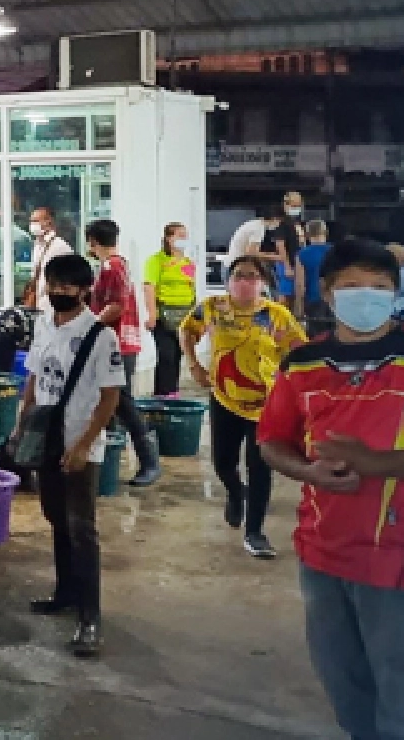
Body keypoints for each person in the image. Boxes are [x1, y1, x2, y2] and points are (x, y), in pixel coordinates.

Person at [260, 238, 404, 740]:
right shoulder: (301, 363)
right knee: (345, 684)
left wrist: (376, 463)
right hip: (321, 551)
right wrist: (307, 473)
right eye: (352, 287)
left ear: (396, 293)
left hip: (402, 553)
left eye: (379, 287)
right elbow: (272, 440)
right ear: (326, 293)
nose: (366, 296)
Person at [11, 254, 124, 657]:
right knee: (55, 517)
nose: (58, 291)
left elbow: (110, 396)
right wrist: (21, 422)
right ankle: (65, 592)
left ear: (83, 290)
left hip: (81, 444)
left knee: (82, 529)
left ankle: (90, 618)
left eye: (67, 286)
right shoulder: (43, 322)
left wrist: (82, 446)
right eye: (53, 284)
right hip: (47, 439)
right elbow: (34, 376)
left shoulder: (100, 336)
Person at [181, 257, 307, 559]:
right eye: (239, 275)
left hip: (266, 404)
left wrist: (294, 386)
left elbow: (301, 351)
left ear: (263, 281)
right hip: (224, 398)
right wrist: (194, 364)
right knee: (223, 462)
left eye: (252, 276)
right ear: (228, 279)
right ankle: (236, 493)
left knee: (260, 466)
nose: (245, 281)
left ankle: (255, 532)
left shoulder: (276, 314)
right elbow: (187, 330)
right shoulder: (212, 307)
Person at [83, 220, 162, 487]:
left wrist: (90, 327)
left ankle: (149, 461)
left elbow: (115, 306)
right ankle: (108, 461)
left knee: (122, 401)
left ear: (92, 241)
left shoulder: (111, 266)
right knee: (109, 401)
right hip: (120, 341)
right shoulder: (120, 263)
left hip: (116, 343)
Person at [142, 222, 199, 396]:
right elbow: (149, 287)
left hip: (184, 315)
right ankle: (164, 394)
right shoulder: (156, 260)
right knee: (166, 355)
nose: (184, 239)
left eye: (185, 236)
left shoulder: (188, 263)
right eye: (180, 235)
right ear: (168, 238)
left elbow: (191, 289)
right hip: (163, 315)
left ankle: (171, 393)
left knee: (176, 356)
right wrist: (152, 314)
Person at [22, 205, 73, 312]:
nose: (32, 225)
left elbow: (66, 279)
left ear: (49, 222)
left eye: (36, 221)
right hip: (37, 303)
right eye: (31, 221)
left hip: (52, 305)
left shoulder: (60, 246)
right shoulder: (37, 245)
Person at [298, 219, 332, 332]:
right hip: (335, 299)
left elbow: (300, 286)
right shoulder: (336, 252)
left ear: (307, 235)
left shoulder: (302, 255)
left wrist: (299, 308)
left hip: (313, 300)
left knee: (317, 338)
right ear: (326, 232)